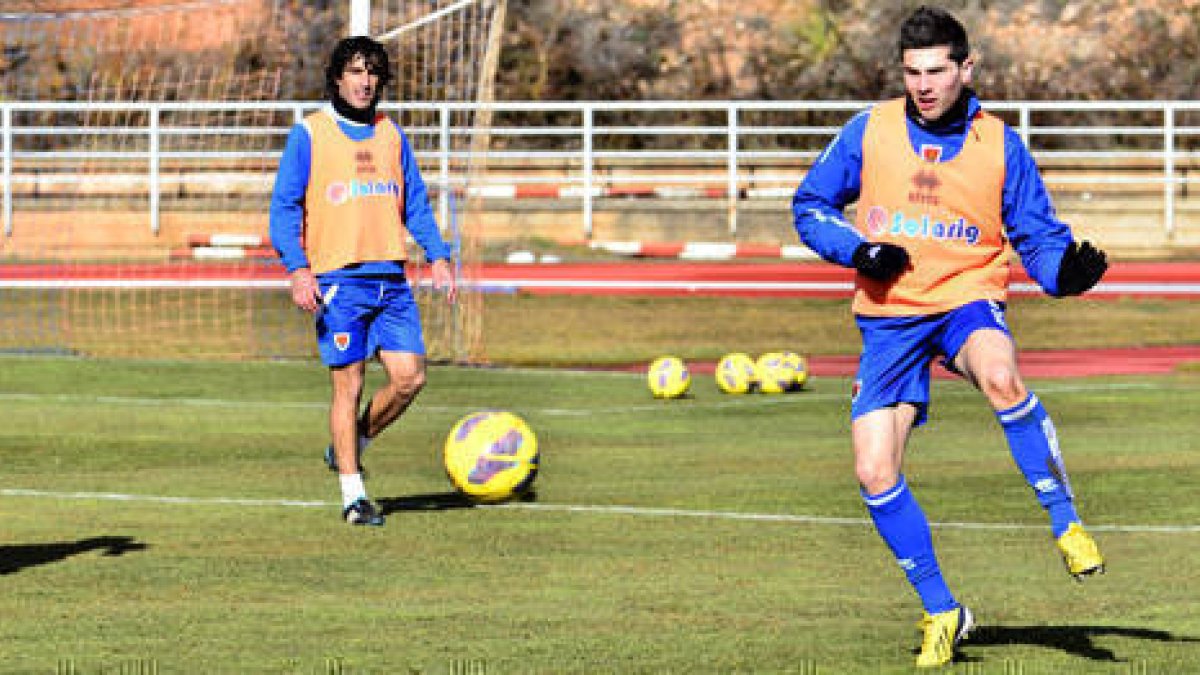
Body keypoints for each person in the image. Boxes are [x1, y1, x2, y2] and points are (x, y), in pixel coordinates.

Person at [792, 5, 1108, 668]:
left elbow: (1038, 237)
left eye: (937, 71)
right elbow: (811, 205)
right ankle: (943, 609)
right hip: (889, 317)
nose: (924, 85)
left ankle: (1066, 523)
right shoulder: (869, 129)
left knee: (1000, 375)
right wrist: (858, 250)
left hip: (965, 300)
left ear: (967, 68)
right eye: (913, 72)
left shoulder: (1001, 144)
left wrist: (1063, 275)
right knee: (873, 470)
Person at [270, 36, 457, 527]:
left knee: (410, 378)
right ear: (337, 78)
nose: (365, 81)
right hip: (338, 281)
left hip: (390, 279)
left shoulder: (391, 134)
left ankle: (350, 444)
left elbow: (414, 202)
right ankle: (354, 496)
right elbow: (284, 208)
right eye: (355, 71)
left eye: (372, 72)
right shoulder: (309, 134)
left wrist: (438, 255)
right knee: (348, 385)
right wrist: (298, 269)